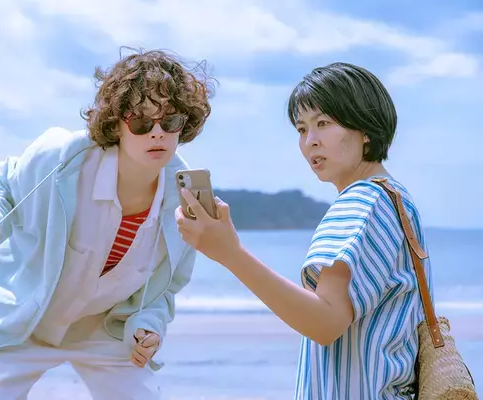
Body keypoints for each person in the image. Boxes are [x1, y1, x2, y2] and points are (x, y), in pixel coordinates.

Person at [0, 48, 215, 400]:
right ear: (117, 124)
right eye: (141, 122)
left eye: (170, 122)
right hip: (20, 321)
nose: (157, 133)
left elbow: (163, 289)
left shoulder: (188, 200)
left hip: (104, 329)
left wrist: (147, 328)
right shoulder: (62, 158)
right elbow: (0, 183)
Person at [175, 62, 432, 399]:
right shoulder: (395, 197)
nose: (310, 141)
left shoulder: (359, 204)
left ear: (365, 128)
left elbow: (325, 322)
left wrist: (230, 253)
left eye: (323, 124)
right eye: (301, 129)